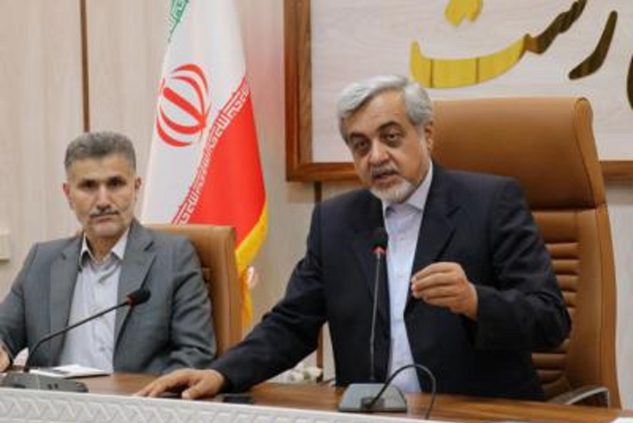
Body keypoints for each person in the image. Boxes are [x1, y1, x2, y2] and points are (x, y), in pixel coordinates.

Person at [138, 75, 570, 400]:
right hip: (369, 414)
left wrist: (475, 301)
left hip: (475, 412)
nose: (376, 156)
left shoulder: (490, 203)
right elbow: (292, 323)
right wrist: (222, 372)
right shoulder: (336, 221)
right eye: (360, 145)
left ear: (427, 134)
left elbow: (551, 320)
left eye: (391, 138)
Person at [0, 131, 216, 374]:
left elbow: (195, 353)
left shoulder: (174, 257)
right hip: (54, 397)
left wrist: (154, 394)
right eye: (88, 186)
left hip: (139, 397)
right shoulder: (42, 260)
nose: (103, 201)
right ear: (68, 195)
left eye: (115, 184)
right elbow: (4, 332)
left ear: (136, 188)